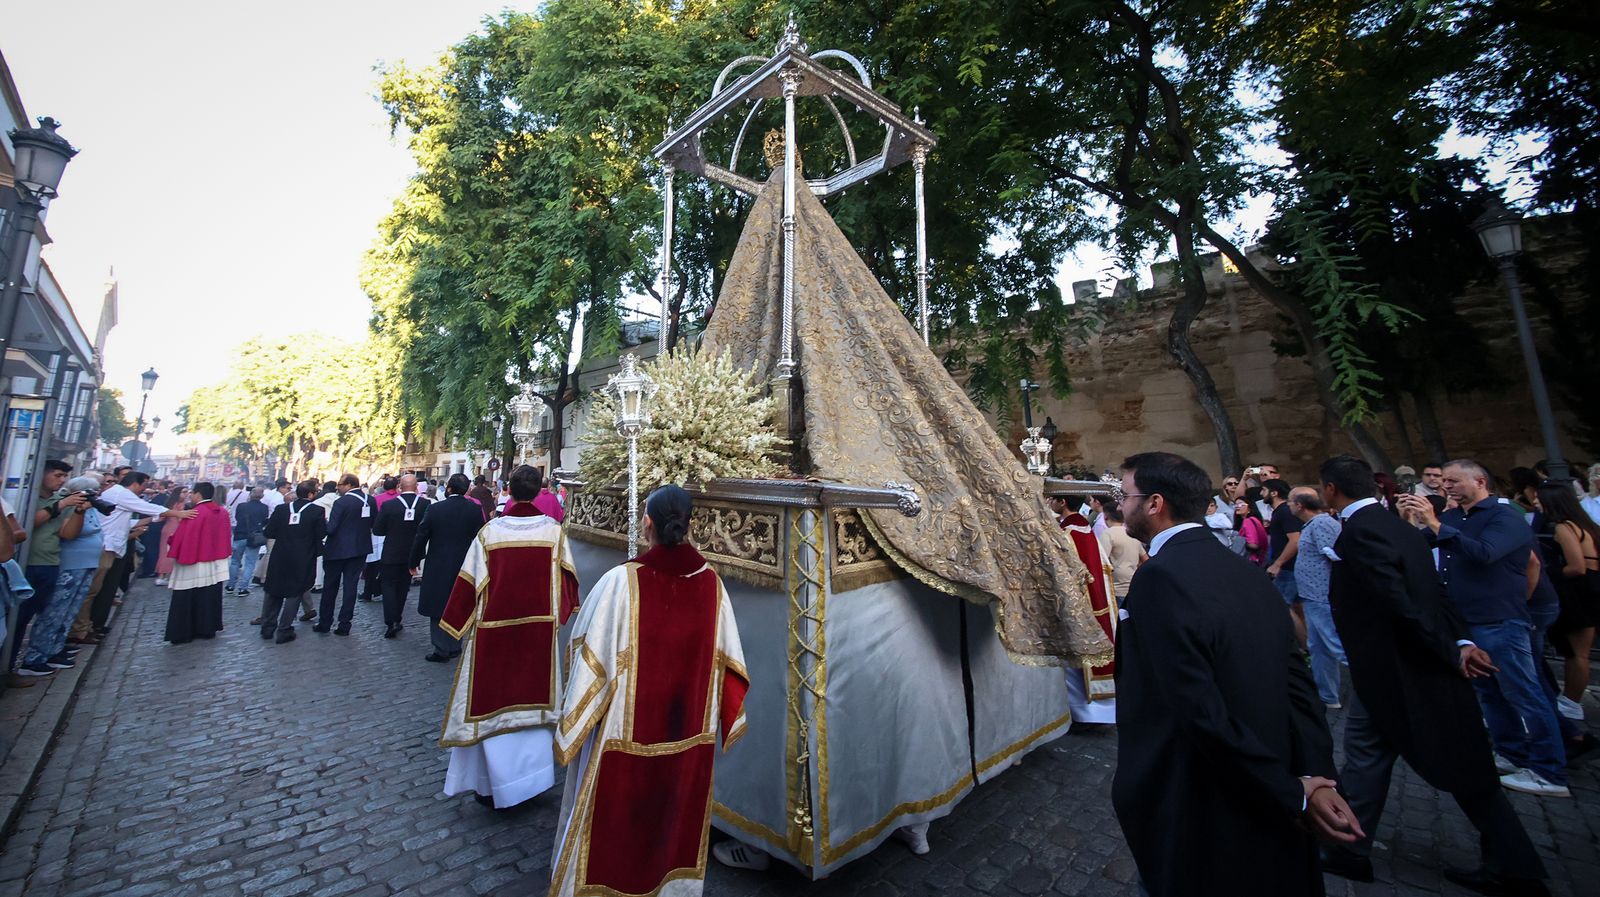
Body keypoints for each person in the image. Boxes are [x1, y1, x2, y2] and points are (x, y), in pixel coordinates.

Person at [1111, 452, 1359, 897]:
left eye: (1124, 495)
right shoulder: (1242, 569)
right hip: (1269, 768)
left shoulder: (1160, 578)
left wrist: (1295, 793)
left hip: (1200, 793)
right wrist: (1316, 776)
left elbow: (1195, 706)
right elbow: (1296, 681)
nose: (1119, 505)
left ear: (1154, 503)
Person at [1320, 456, 1549, 895]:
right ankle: (1349, 847)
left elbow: (1398, 600)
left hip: (1402, 667)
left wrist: (1451, 647)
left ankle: (1515, 867)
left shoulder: (1364, 533)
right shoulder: (1400, 529)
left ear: (1330, 489)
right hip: (1395, 667)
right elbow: (1433, 590)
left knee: (1461, 765)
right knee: (1367, 753)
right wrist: (1460, 642)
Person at [552, 485, 748, 897]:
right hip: (688, 738)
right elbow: (732, 663)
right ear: (691, 526)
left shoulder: (620, 584)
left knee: (616, 829)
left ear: (647, 524)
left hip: (621, 738)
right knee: (671, 823)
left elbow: (589, 656)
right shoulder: (712, 583)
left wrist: (571, 724)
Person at [1398, 461, 1569, 797]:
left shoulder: (1505, 517)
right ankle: (1509, 752)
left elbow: (1485, 554)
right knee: (1489, 693)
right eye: (1444, 481)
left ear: (1479, 481)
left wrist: (1434, 522)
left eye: (1454, 481)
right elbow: (1421, 545)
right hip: (1467, 621)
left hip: (1500, 618)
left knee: (1524, 693)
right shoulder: (1455, 517)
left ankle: (1549, 771)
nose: (1446, 486)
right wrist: (1409, 520)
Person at [437, 465, 578, 810]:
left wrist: (455, 622)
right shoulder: (554, 532)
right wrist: (558, 616)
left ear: (511, 492)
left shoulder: (491, 532)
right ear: (538, 491)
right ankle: (533, 781)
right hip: (537, 635)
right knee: (533, 710)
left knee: (493, 708)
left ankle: (488, 784)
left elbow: (469, 582)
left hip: (494, 635)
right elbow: (568, 582)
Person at [87, 471, 195, 638]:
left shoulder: (118, 494)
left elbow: (123, 520)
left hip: (115, 546)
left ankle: (96, 625)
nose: (145, 490)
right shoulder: (120, 493)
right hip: (108, 545)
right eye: (144, 485)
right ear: (135, 483)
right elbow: (148, 508)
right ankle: (90, 626)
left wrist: (150, 520)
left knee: (106, 588)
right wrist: (177, 513)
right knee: (98, 589)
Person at [17, 476, 104, 678]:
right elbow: (68, 533)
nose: (98, 493)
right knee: (54, 610)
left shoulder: (89, 508)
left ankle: (54, 648)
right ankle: (35, 656)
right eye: (93, 490)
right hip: (69, 563)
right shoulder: (64, 506)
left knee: (69, 610)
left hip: (85, 563)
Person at [1536, 480, 1599, 727]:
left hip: (1580, 592)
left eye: (1539, 498)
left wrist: (1549, 572)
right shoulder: (1587, 525)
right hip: (1592, 587)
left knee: (1577, 654)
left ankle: (1571, 705)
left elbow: (1576, 566)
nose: (1535, 502)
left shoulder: (1565, 527)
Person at [409, 473, 484, 663]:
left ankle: (441, 647)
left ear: (448, 489)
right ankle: (455, 643)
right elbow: (480, 536)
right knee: (458, 601)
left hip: (438, 562)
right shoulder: (474, 510)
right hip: (465, 562)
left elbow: (421, 535)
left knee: (437, 605)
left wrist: (414, 560)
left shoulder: (436, 509)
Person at [1059, 495, 1118, 724]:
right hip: (1095, 598)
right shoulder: (1085, 527)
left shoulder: (1067, 533)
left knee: (1076, 665)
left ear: (1061, 502)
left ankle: (1083, 714)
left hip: (1078, 604)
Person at [1289, 487, 1347, 709]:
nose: (1288, 505)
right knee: (1319, 647)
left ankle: (1377, 688)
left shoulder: (1322, 524)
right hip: (1311, 595)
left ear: (1300, 505)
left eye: (1290, 502)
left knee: (1337, 645)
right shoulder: (1312, 525)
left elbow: (1335, 555)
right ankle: (1328, 696)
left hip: (1322, 595)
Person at [257, 480, 326, 644]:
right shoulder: (317, 511)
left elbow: (270, 531)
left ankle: (267, 627)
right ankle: (284, 629)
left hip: (280, 554)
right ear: (311, 494)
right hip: (303, 557)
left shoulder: (282, 509)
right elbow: (320, 534)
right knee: (294, 593)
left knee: (273, 591)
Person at [163, 482, 233, 644]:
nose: (190, 496)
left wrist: (171, 543)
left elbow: (183, 536)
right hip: (214, 559)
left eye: (192, 493)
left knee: (186, 596)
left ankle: (183, 632)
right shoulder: (221, 511)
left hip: (193, 559)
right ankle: (207, 628)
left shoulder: (194, 513)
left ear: (198, 494)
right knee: (208, 595)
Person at [372, 474, 430, 639]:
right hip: (412, 553)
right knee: (403, 588)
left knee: (388, 586)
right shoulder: (425, 504)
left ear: (400, 487)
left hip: (391, 551)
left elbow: (377, 529)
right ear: (417, 487)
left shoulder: (390, 505)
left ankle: (390, 621)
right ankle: (397, 617)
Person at [319, 474, 377, 636]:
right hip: (360, 549)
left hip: (337, 550)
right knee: (350, 587)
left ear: (349, 485)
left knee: (330, 587)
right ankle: (345, 623)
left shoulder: (341, 502)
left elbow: (331, 528)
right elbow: (373, 523)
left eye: (340, 484)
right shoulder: (370, 500)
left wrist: (323, 521)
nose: (337, 487)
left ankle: (325, 622)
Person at [226, 487, 269, 599]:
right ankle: (243, 588)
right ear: (262, 496)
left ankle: (230, 585)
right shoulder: (264, 508)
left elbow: (237, 517)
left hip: (240, 535)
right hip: (254, 538)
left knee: (235, 561)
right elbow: (264, 521)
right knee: (250, 563)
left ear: (250, 494)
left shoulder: (241, 506)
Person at [1097, 504, 1145, 601]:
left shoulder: (1108, 534)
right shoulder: (1132, 533)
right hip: (1132, 584)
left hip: (1116, 588)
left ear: (1105, 516)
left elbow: (1101, 560)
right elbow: (1145, 558)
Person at [1234, 497, 1269, 566]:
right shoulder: (1255, 520)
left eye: (1241, 504)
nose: (1237, 507)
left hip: (1250, 560)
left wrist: (1239, 542)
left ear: (1249, 508)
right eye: (1236, 505)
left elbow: (1253, 545)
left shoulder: (1248, 521)